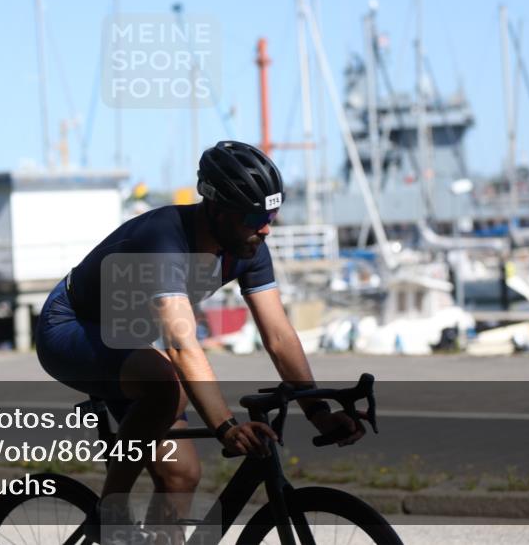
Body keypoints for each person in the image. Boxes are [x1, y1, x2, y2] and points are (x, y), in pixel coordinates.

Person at [35, 141, 364, 543]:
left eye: (272, 214)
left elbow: (278, 336)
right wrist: (224, 424)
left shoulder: (249, 246)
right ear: (216, 208)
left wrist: (318, 410)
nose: (266, 227)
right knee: (167, 386)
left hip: (127, 341)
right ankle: (111, 517)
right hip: (71, 325)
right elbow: (179, 342)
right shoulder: (164, 239)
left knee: (182, 475)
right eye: (254, 216)